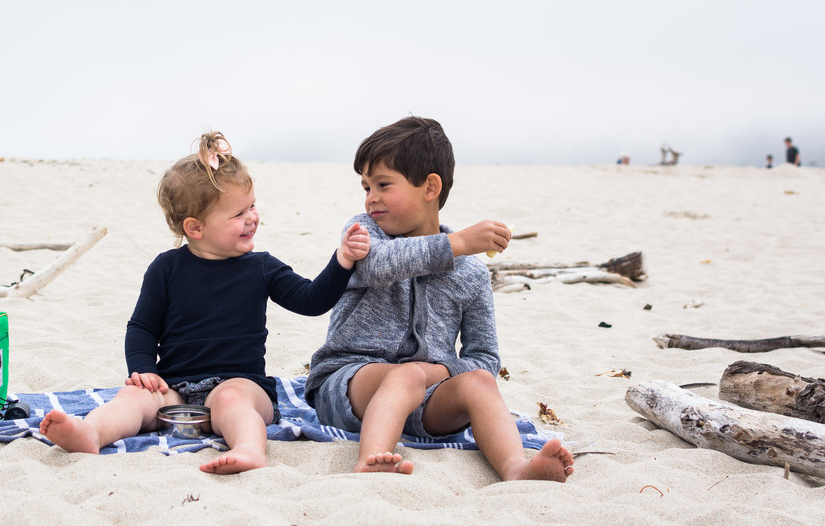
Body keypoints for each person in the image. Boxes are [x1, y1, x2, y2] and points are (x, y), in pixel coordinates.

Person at [40, 131, 370, 474]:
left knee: (232, 400)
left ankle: (249, 449)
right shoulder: (166, 268)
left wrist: (342, 259)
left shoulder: (262, 267)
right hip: (175, 389)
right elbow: (142, 327)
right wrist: (144, 371)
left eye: (252, 206)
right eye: (238, 213)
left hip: (242, 383)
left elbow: (311, 300)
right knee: (134, 398)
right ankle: (91, 433)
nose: (252, 217)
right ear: (195, 228)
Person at [305, 116, 574, 481]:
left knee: (480, 383)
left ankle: (517, 468)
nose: (371, 198)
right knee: (404, 377)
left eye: (383, 184)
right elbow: (377, 265)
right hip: (348, 386)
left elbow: (484, 358)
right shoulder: (364, 233)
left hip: (427, 399)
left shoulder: (471, 272)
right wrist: (457, 243)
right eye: (366, 187)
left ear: (430, 187)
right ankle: (371, 459)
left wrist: (439, 372)